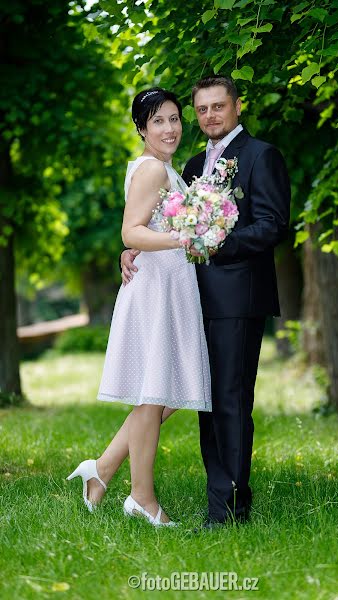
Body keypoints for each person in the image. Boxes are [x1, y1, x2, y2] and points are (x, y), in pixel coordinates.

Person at [121, 76, 291, 529]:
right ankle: (217, 505)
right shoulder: (192, 165)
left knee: (232, 403)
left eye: (219, 106)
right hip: (192, 300)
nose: (210, 115)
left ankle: (230, 514)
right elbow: (158, 221)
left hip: (238, 298)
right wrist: (133, 247)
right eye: (202, 109)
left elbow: (272, 225)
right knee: (205, 406)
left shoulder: (262, 156)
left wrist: (214, 241)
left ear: (238, 107)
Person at [67, 88, 211, 527]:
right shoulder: (151, 169)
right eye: (158, 121)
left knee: (163, 393)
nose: (169, 128)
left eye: (174, 118)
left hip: (169, 284)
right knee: (155, 395)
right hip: (156, 289)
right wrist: (185, 237)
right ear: (142, 129)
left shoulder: (163, 168)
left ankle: (103, 469)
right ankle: (142, 498)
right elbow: (131, 232)